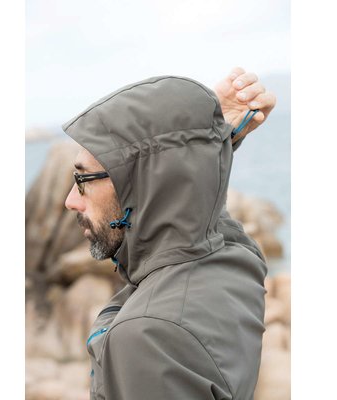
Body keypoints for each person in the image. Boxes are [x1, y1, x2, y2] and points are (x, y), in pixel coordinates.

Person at [63, 68, 275, 399]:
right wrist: (200, 138)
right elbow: (192, 204)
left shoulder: (147, 336)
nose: (70, 201)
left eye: (83, 180)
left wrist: (195, 146)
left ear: (143, 185)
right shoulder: (235, 255)